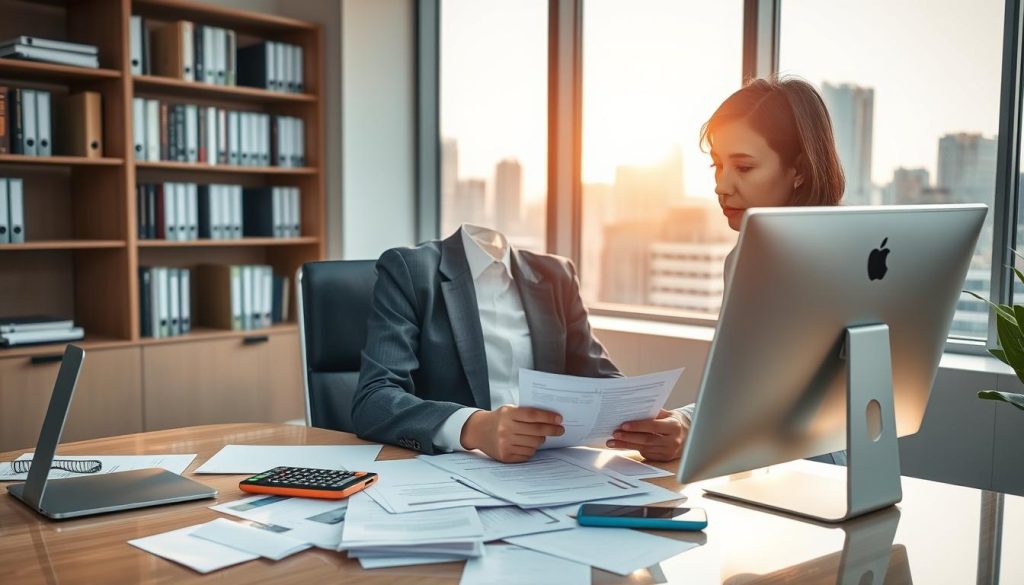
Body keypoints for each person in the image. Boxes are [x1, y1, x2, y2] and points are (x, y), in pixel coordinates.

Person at [352, 224, 688, 463]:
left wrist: (654, 428)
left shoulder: (556, 274)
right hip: (456, 471)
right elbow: (374, 399)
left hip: (555, 471)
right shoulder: (409, 269)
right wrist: (475, 426)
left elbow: (600, 379)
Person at [680, 75, 847, 463]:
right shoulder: (746, 256)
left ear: (799, 170)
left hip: (817, 464)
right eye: (718, 166)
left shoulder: (837, 258)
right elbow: (738, 390)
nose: (722, 186)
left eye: (744, 167)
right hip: (762, 464)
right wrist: (685, 425)